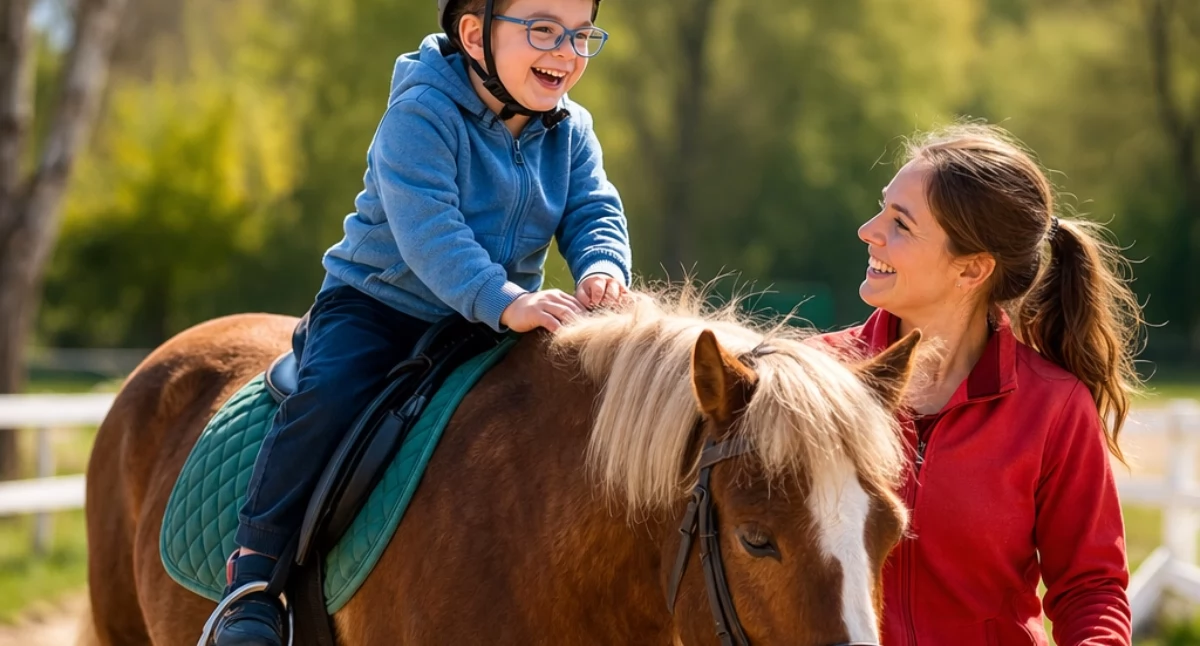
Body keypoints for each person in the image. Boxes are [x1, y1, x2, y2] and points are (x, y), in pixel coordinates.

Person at [209, 0, 630, 643]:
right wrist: (506, 299)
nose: (566, 51)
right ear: (474, 35)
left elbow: (593, 208)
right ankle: (254, 581)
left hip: (493, 319)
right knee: (331, 396)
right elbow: (431, 230)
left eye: (581, 35)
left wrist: (602, 264)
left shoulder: (572, 129)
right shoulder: (421, 113)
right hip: (384, 308)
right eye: (543, 29)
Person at [822, 123, 1140, 644]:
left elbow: (1092, 589)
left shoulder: (1054, 407)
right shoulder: (816, 380)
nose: (868, 230)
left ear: (971, 271)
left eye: (900, 223)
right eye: (882, 207)